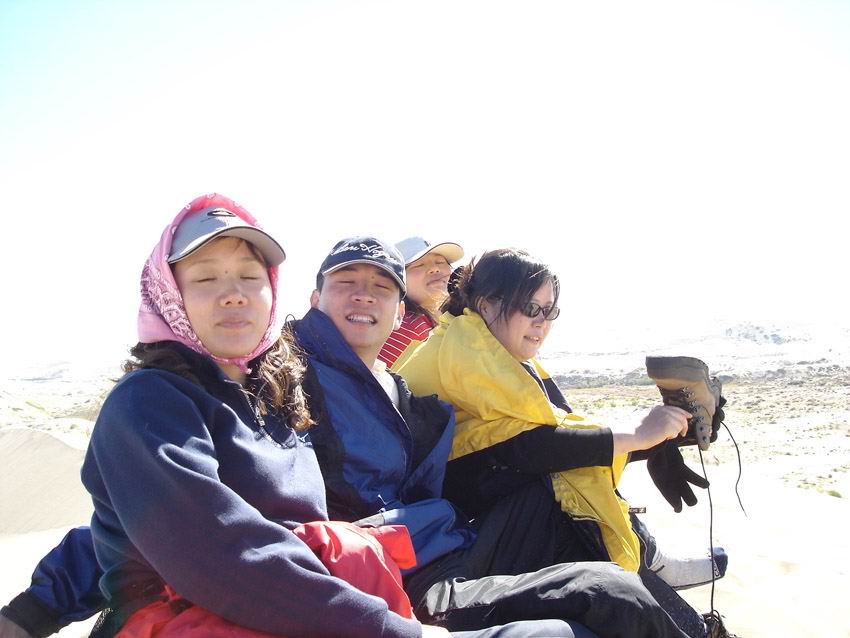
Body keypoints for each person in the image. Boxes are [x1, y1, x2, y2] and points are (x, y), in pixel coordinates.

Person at [0, 196, 581, 638]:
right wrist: (33, 611)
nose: (233, 294)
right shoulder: (157, 401)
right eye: (205, 278)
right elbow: (199, 541)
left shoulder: (275, 398)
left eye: (249, 277)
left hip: (345, 593)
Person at [396, 248, 735, 638]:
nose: (541, 322)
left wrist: (658, 440)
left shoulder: (484, 347)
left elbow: (555, 431)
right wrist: (640, 437)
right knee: (561, 501)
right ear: (487, 304)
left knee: (568, 488)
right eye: (530, 308)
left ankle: (659, 580)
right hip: (439, 549)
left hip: (457, 522)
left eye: (549, 311)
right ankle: (671, 600)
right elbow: (523, 449)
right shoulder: (465, 353)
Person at [378, 237, 463, 370]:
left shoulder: (450, 323)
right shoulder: (406, 328)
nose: (434, 268)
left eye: (440, 262)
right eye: (419, 265)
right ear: (398, 279)